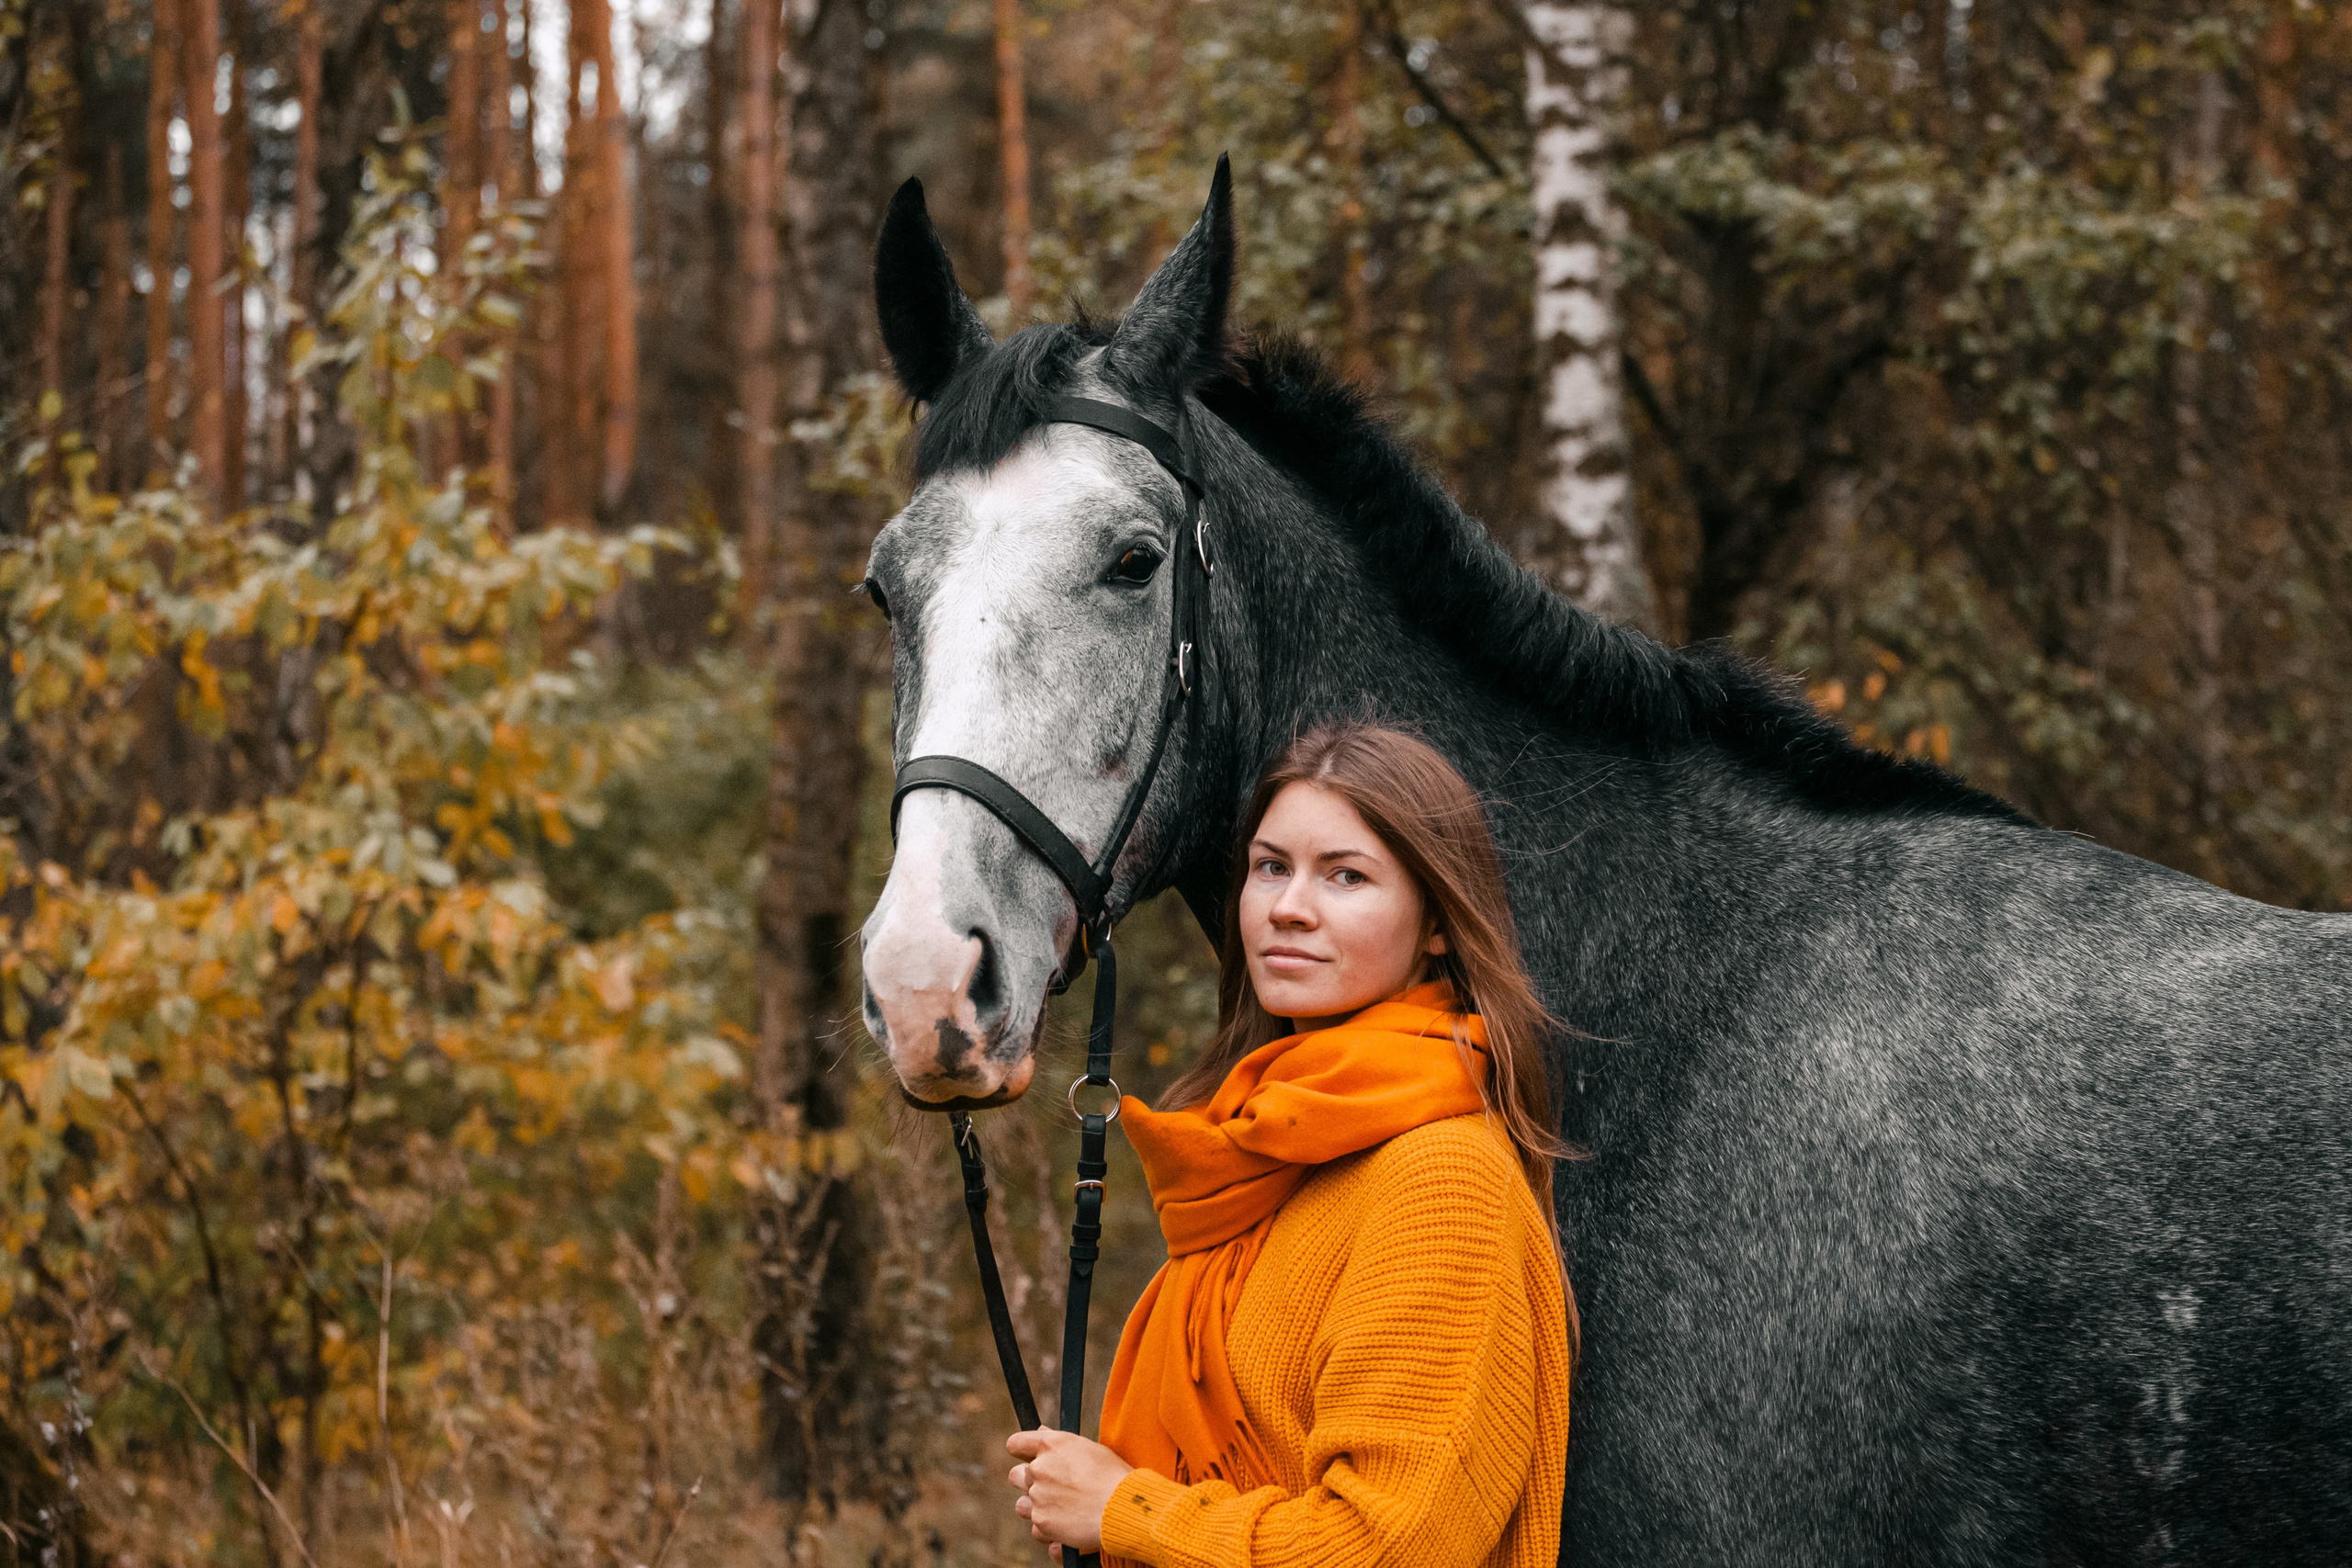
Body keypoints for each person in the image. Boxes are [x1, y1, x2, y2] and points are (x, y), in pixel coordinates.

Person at [1006, 720, 1576, 1568]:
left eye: (1346, 876)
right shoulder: (1261, 1149)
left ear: (1438, 924)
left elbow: (1388, 1547)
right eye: (1271, 867)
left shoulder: (1441, 1179)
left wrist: (1126, 1508)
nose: (1288, 906)